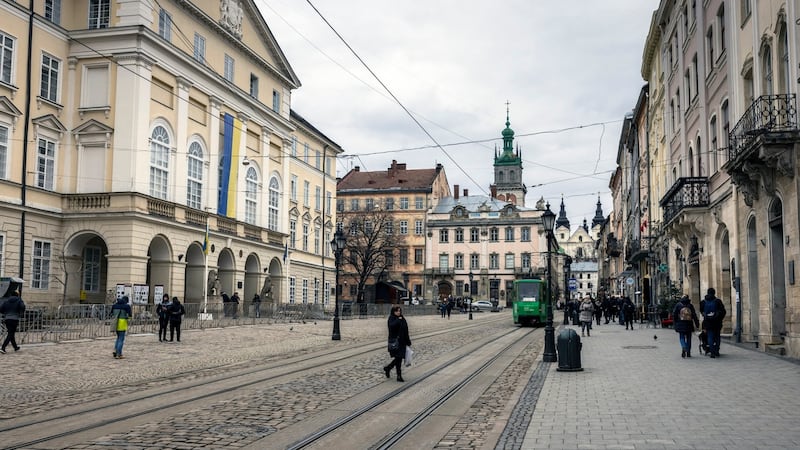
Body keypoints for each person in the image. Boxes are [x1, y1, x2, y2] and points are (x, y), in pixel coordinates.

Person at [383, 306, 411, 382]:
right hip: (395, 342)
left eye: (399, 311)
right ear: (393, 312)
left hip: (402, 342)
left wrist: (408, 341)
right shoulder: (392, 318)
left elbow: (406, 330)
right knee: (398, 358)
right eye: (397, 311)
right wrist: (398, 320)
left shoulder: (402, 318)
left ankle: (388, 368)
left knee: (399, 358)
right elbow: (391, 326)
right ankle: (398, 375)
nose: (398, 312)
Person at [700, 288, 726, 358]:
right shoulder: (718, 301)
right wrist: (719, 318)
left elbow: (701, 311)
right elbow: (723, 312)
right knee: (717, 336)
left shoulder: (703, 302)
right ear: (714, 293)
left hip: (707, 322)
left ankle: (712, 352)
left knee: (710, 336)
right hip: (717, 322)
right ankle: (717, 350)